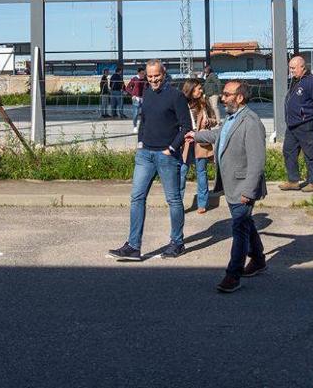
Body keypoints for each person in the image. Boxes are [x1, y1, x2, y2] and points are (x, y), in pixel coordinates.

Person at [187, 79, 267, 294]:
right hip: (232, 184)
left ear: (240, 97)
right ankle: (258, 259)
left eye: (227, 94)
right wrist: (195, 135)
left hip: (242, 187)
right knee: (245, 223)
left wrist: (249, 192)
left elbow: (257, 162)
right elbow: (218, 136)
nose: (222, 98)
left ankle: (233, 274)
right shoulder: (233, 118)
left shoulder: (251, 122)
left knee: (239, 228)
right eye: (223, 94)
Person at [108, 60, 193, 262]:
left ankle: (177, 243)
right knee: (137, 198)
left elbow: (186, 126)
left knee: (173, 200)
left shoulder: (176, 96)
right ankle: (133, 246)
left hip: (167, 156)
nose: (153, 79)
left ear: (164, 74)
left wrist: (171, 149)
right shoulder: (146, 93)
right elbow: (143, 120)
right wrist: (140, 143)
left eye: (157, 75)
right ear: (146, 75)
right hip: (145, 155)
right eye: (150, 76)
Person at [280, 55, 313, 192]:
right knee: (288, 151)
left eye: (293, 68)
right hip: (292, 125)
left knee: (310, 153)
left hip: (306, 124)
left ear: (302, 67)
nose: (291, 71)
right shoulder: (295, 81)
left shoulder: (312, 82)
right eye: (290, 68)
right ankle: (293, 181)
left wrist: (309, 115)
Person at [180, 78, 219, 214]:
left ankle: (202, 203)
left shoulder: (204, 102)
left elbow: (215, 120)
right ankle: (178, 205)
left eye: (201, 88)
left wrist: (209, 122)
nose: (201, 90)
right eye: (198, 88)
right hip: (185, 144)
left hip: (201, 142)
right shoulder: (181, 104)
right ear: (190, 90)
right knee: (182, 173)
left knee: (201, 173)